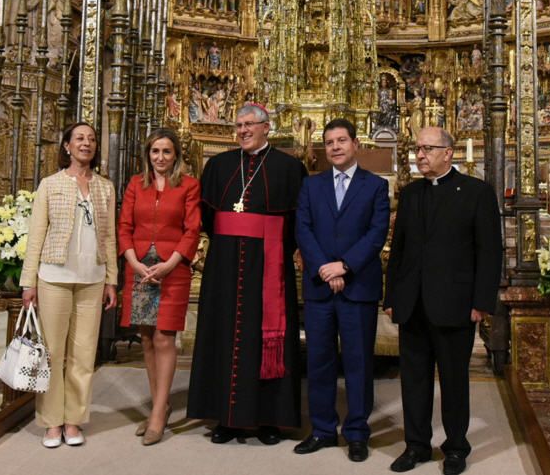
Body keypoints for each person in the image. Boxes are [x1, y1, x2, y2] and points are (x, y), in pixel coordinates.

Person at [384, 127, 503, 475]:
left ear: (448, 153)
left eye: (427, 149)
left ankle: (455, 448)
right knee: (414, 380)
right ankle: (416, 445)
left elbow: (489, 252)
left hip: (456, 303)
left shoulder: (477, 193)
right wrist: (392, 296)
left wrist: (481, 302)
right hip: (413, 305)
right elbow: (399, 251)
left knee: (453, 381)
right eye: (417, 149)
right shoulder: (410, 194)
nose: (420, 155)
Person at [186, 103, 307, 445]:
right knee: (224, 333)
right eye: (238, 125)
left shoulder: (289, 167)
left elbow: (298, 220)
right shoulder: (218, 165)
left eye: (249, 124)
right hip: (224, 264)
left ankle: (269, 419)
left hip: (269, 265)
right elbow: (209, 218)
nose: (242, 131)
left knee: (266, 336)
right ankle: (226, 417)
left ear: (267, 127)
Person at [293, 119, 390, 462]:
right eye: (329, 142)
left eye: (341, 141)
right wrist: (324, 267)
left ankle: (357, 432)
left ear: (355, 143)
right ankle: (322, 430)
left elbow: (376, 234)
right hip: (320, 287)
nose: (334, 147)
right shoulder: (311, 186)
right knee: (319, 361)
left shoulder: (376, 186)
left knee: (358, 362)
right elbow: (303, 228)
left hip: (357, 286)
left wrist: (344, 266)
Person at [20, 122, 118, 448]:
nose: (86, 143)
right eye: (79, 138)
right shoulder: (49, 185)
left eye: (91, 139)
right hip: (54, 278)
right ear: (66, 146)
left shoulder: (105, 187)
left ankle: (73, 420)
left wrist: (112, 280)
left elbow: (110, 237)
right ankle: (52, 423)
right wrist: (28, 282)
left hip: (92, 278)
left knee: (83, 353)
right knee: (52, 352)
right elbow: (36, 236)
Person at [118, 128, 201, 445]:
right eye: (155, 151)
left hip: (171, 268)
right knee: (146, 338)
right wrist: (133, 261)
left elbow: (192, 229)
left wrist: (170, 263)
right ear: (147, 154)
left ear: (176, 155)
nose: (161, 157)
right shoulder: (136, 185)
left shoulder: (189, 186)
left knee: (165, 338)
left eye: (167, 151)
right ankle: (160, 405)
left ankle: (156, 416)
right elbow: (124, 226)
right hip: (139, 267)